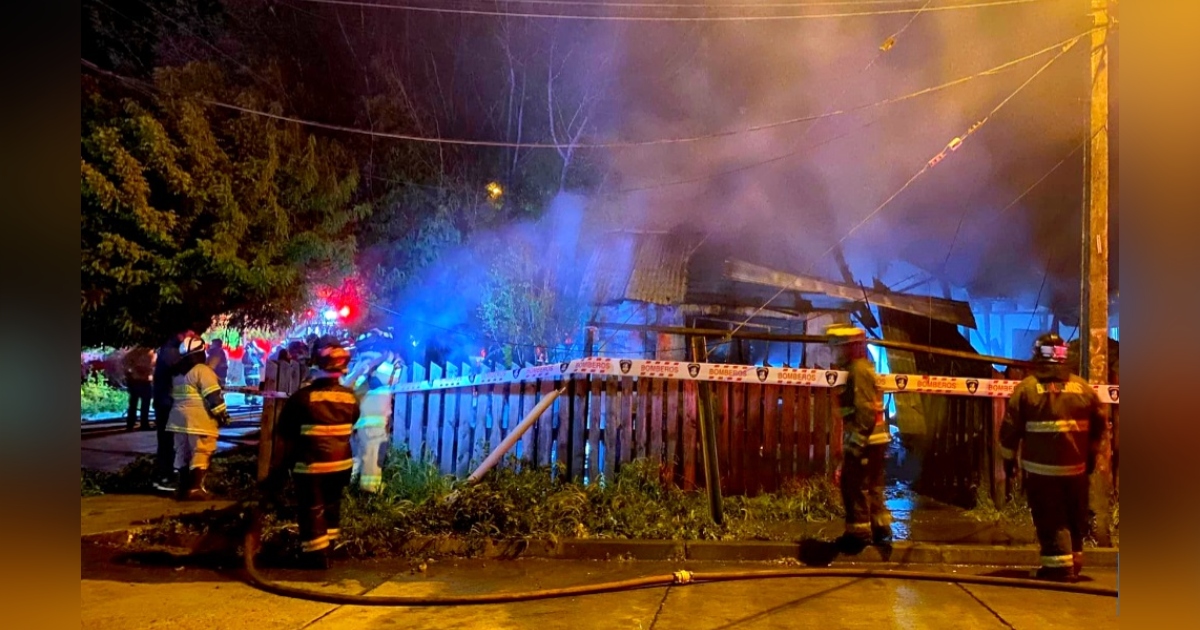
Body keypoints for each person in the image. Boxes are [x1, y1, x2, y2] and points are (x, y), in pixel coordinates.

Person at [1000, 332, 1107, 581]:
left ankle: (1057, 568)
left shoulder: (1027, 389)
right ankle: (1075, 561)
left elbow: (1009, 430)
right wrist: (1090, 458)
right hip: (1076, 470)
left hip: (1041, 472)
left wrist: (1008, 461)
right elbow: (1099, 427)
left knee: (1050, 518)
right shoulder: (1083, 388)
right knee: (1074, 515)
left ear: (1038, 357)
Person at [271, 338, 359, 569]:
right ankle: (329, 547)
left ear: (316, 364)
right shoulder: (350, 397)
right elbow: (352, 422)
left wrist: (279, 469)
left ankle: (316, 555)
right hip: (341, 465)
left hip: (311, 466)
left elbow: (285, 432)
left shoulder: (303, 398)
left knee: (312, 508)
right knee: (332, 504)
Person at [828, 324, 893, 548]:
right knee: (872, 486)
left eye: (840, 347)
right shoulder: (862, 367)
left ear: (850, 347)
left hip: (866, 440)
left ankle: (858, 536)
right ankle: (880, 530)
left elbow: (864, 412)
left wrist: (855, 445)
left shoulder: (857, 370)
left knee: (853, 485)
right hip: (873, 440)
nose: (837, 352)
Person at [167, 335, 232, 501]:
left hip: (177, 421)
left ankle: (182, 488)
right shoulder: (202, 371)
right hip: (199, 420)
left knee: (182, 453)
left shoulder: (176, 373)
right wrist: (223, 416)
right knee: (201, 451)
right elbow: (213, 397)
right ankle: (195, 489)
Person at [345, 330, 402, 493]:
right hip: (375, 421)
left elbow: (349, 385)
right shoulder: (386, 364)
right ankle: (370, 493)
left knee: (357, 456)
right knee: (373, 458)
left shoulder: (357, 363)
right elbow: (393, 383)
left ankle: (349, 490)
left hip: (356, 420)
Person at [152, 330, 192, 492]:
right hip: (166, 403)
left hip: (164, 401)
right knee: (168, 441)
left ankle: (166, 475)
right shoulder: (171, 351)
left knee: (167, 441)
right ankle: (165, 477)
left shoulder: (168, 349)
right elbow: (182, 369)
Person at [122, 346, 155, 431]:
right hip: (142, 380)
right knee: (144, 403)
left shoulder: (135, 352)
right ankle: (143, 424)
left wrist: (130, 373)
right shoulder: (149, 352)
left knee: (134, 403)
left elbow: (125, 363)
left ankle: (131, 424)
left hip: (137, 380)